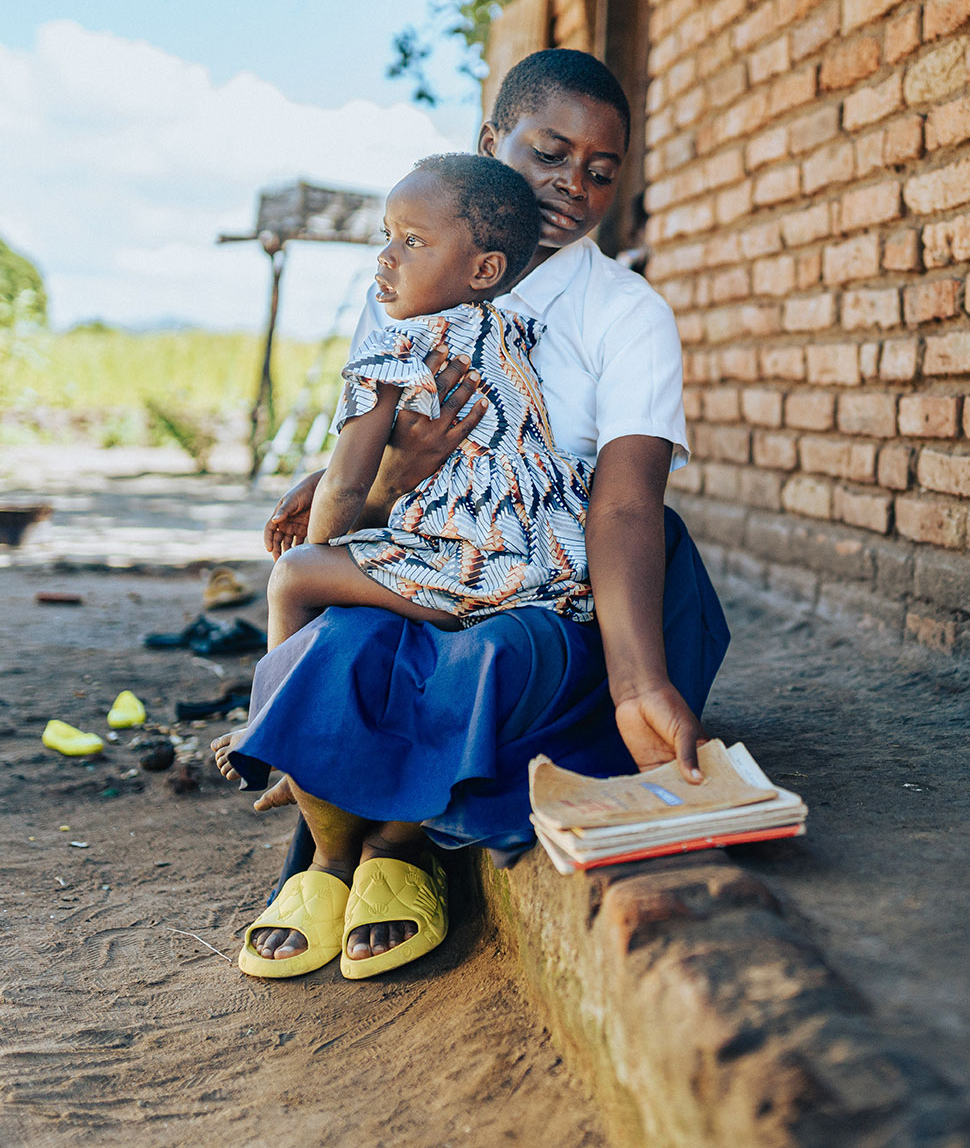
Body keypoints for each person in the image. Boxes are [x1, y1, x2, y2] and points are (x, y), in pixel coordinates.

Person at [215, 50, 729, 981]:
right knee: (342, 641)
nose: (573, 185)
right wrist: (392, 477)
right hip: (425, 553)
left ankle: (402, 850)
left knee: (495, 658)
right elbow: (364, 489)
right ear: (491, 143)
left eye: (601, 171)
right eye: (549, 152)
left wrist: (637, 682)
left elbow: (621, 504)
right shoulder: (410, 287)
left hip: (554, 578)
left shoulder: (625, 316)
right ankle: (331, 857)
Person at [263, 152, 593, 642]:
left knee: (293, 576)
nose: (386, 256)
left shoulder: (396, 349)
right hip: (555, 561)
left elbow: (346, 488)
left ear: (484, 271)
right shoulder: (511, 334)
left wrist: (320, 555)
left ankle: (273, 717)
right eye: (387, 235)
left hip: (475, 569)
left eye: (413, 241)